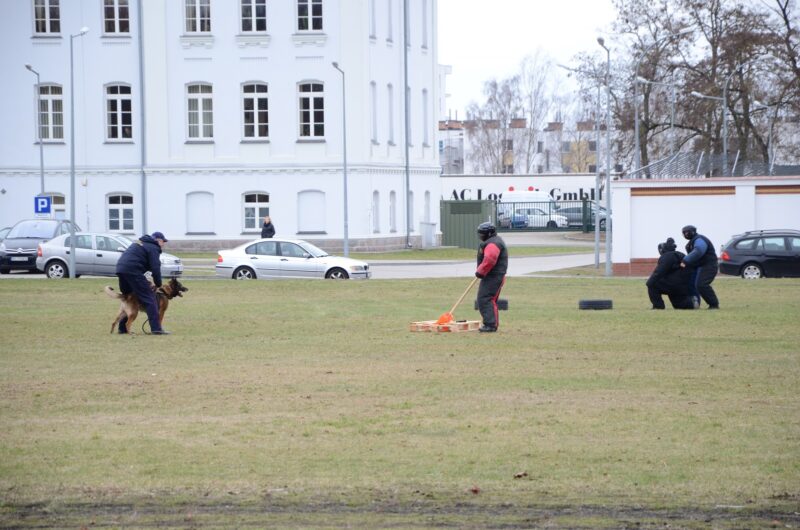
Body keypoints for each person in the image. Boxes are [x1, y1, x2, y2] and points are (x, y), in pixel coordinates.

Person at [115, 231, 170, 335]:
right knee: (150, 299)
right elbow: (155, 268)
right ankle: (156, 329)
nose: (163, 244)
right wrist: (158, 284)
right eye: (163, 241)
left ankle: (122, 329)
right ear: (158, 240)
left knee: (129, 298)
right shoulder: (153, 248)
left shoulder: (139, 243)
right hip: (133, 270)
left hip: (121, 269)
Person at [475, 222, 508, 333]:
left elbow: (490, 259)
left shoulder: (493, 244)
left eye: (482, 234)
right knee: (489, 299)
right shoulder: (494, 241)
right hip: (494, 276)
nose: (480, 236)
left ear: (489, 233)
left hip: (493, 276)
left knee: (485, 299)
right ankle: (490, 323)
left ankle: (490, 325)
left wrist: (481, 271)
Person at [646, 238, 696, 310]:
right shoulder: (680, 255)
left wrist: (649, 282)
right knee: (680, 306)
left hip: (673, 284)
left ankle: (658, 306)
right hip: (683, 285)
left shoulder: (666, 256)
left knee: (653, 285)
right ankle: (691, 304)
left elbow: (659, 272)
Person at [680, 225, 720, 309]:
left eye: (687, 232)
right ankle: (695, 303)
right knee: (695, 284)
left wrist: (685, 260)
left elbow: (699, 251)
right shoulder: (690, 244)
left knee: (702, 285)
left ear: (693, 231)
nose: (685, 234)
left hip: (709, 265)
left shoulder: (699, 239)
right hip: (700, 266)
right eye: (684, 233)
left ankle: (714, 304)